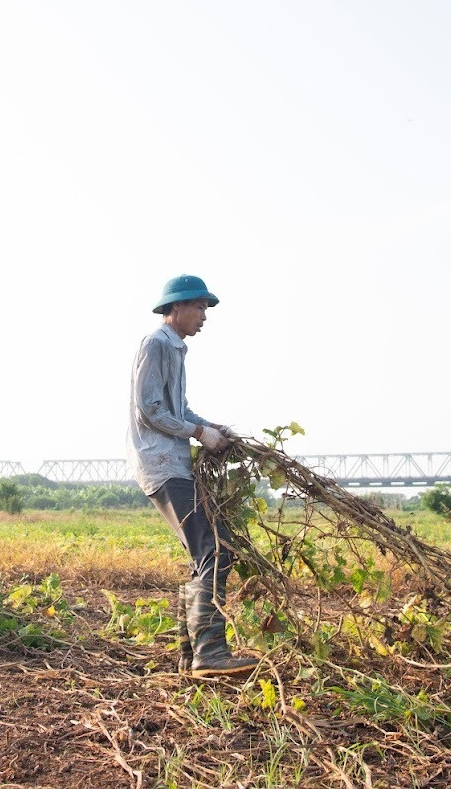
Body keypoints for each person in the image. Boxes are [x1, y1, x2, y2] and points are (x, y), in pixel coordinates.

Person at [127, 274, 259, 677]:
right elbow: (149, 409)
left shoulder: (175, 349)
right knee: (215, 550)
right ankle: (209, 653)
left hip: (173, 463)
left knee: (204, 555)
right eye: (199, 307)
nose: (204, 316)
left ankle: (189, 657)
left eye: (205, 308)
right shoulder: (157, 343)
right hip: (163, 464)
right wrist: (200, 433)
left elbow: (179, 411)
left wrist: (215, 427)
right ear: (176, 308)